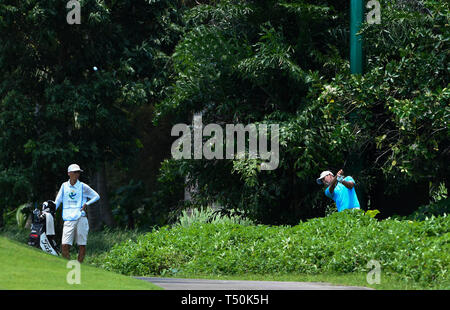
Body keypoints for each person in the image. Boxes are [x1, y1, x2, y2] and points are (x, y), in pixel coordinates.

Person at [55, 164, 100, 262]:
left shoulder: (83, 186)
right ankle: (68, 265)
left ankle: (79, 266)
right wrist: (50, 209)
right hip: (68, 218)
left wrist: (86, 204)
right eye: (75, 172)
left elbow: (96, 196)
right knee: (64, 244)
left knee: (81, 244)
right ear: (69, 173)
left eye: (78, 172)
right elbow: (57, 201)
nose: (77, 174)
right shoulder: (64, 186)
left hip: (81, 217)